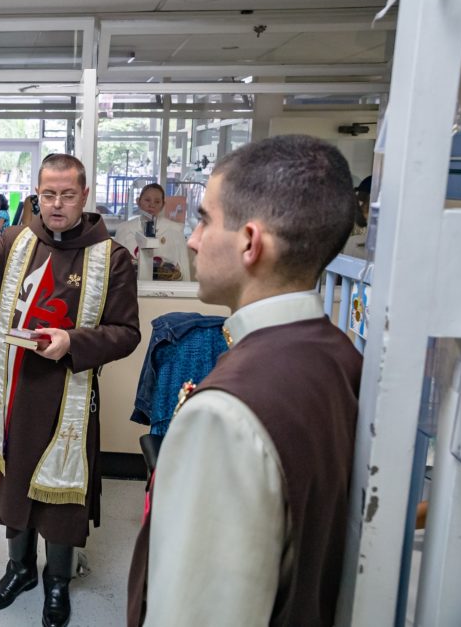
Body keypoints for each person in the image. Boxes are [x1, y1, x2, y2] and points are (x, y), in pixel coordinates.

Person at [127, 135, 362, 626]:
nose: (191, 238)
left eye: (205, 220)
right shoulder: (338, 355)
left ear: (251, 243)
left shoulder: (226, 413)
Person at [0, 153, 141, 627]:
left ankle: (57, 583)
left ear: (85, 196)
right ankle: (20, 569)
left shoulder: (110, 257)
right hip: (15, 390)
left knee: (60, 493)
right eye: (47, 194)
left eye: (67, 195)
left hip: (67, 391)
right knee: (14, 479)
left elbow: (127, 333)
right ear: (36, 195)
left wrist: (73, 341)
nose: (56, 204)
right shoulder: (17, 239)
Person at [116, 183, 191, 280]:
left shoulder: (175, 230)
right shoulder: (124, 228)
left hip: (165, 289)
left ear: (163, 205)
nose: (151, 205)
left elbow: (184, 267)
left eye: (157, 201)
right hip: (131, 287)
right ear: (138, 201)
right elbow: (116, 266)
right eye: (147, 200)